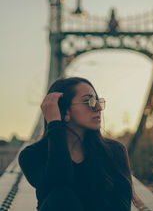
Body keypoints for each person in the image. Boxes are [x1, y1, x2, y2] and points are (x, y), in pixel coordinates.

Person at [19, 77, 145, 211]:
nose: (98, 108)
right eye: (88, 101)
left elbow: (121, 207)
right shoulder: (32, 155)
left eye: (97, 101)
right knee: (62, 194)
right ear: (64, 111)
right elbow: (59, 189)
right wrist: (55, 125)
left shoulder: (114, 151)